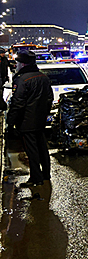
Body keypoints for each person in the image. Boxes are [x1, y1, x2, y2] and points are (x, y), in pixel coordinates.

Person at [6, 50, 53, 187]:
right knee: (42, 147)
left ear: (23, 64)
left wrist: (11, 122)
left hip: (26, 121)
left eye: (18, 63)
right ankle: (46, 174)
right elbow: (49, 98)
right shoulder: (43, 77)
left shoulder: (22, 80)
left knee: (31, 150)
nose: (16, 66)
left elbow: (17, 103)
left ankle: (36, 178)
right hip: (40, 119)